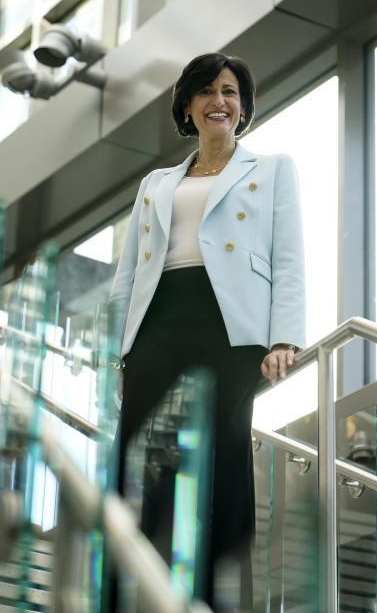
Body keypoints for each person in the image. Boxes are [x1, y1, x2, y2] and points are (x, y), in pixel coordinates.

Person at [107, 52, 305, 610]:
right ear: (188, 104)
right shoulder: (155, 182)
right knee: (140, 456)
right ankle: (131, 583)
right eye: (208, 91)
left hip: (228, 324)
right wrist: (115, 352)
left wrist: (283, 335)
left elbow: (288, 258)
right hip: (158, 321)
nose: (220, 101)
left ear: (242, 109)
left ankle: (210, 588)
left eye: (231, 92)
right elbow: (128, 274)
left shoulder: (271, 169)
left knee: (219, 450)